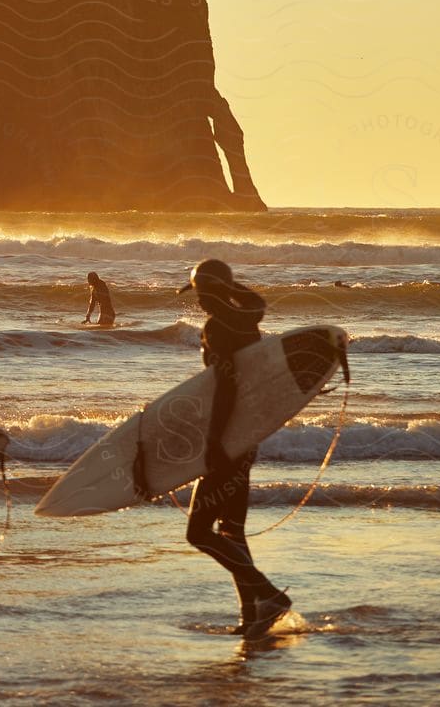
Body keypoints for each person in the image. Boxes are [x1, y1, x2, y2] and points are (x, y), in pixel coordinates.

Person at [177, 258, 291, 637]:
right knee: (232, 531)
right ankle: (253, 615)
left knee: (198, 532)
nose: (198, 303)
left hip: (226, 439)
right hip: (246, 436)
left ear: (210, 292)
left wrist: (213, 442)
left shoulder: (219, 328)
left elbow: (226, 389)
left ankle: (268, 594)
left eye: (201, 295)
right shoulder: (247, 324)